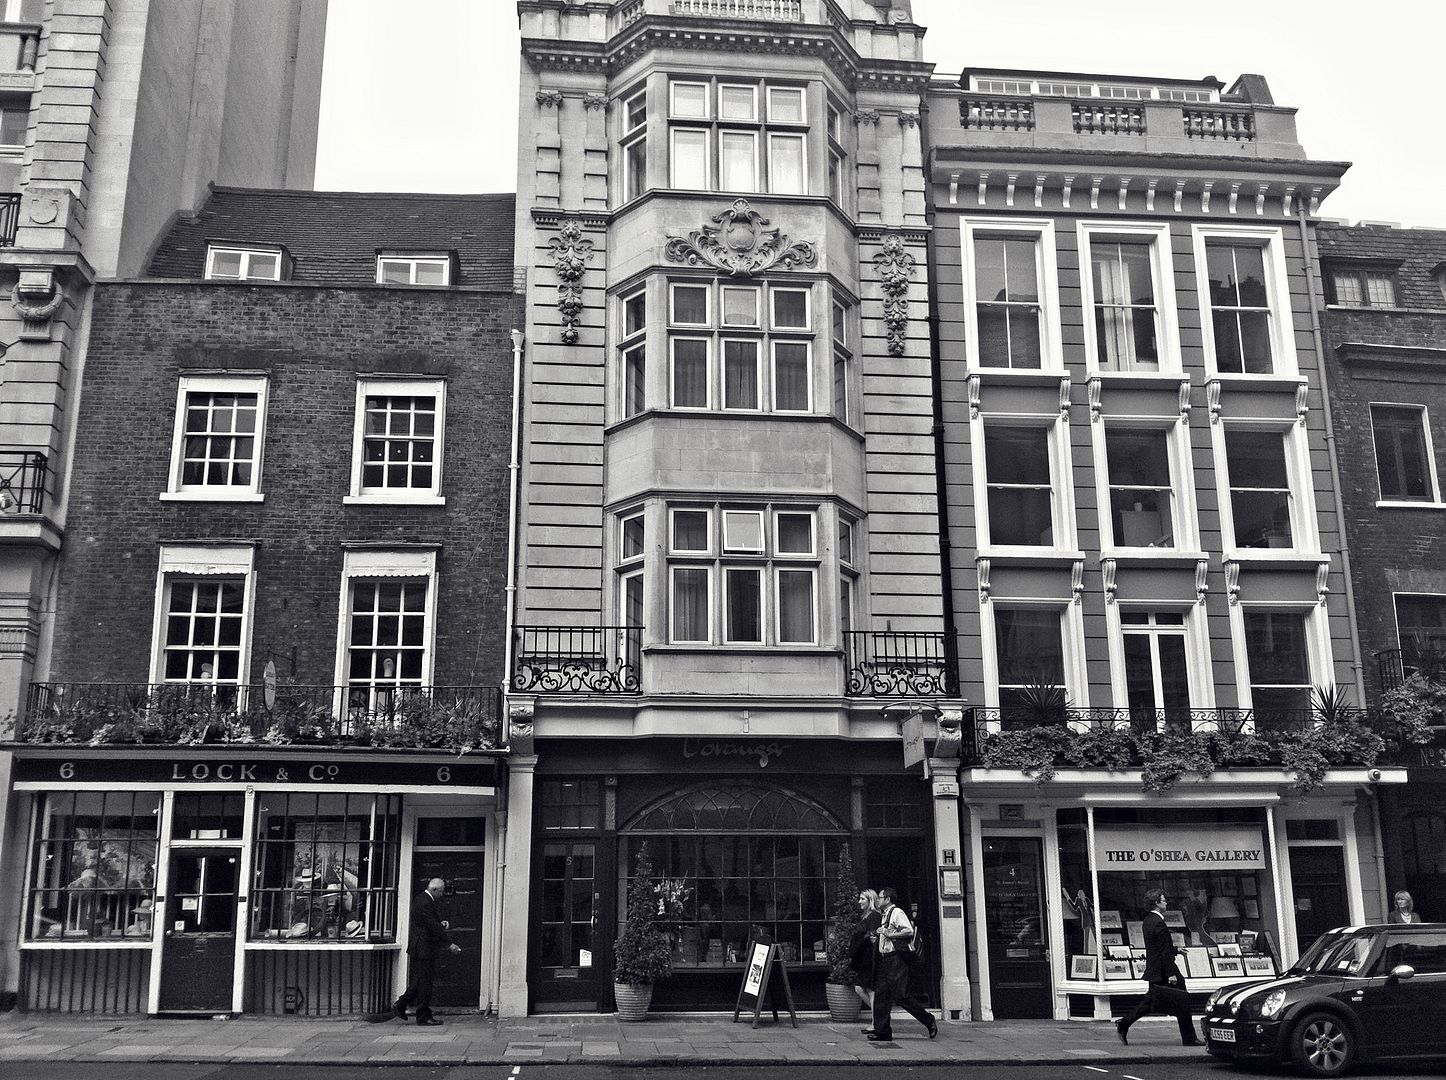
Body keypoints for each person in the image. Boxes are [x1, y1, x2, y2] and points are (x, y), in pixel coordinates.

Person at [1117, 887, 1201, 1046]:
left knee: (1150, 1002)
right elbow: (1162, 951)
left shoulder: (1148, 921)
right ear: (1156, 903)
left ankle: (1124, 1023)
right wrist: (1171, 973)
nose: (1166, 902)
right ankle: (1189, 1038)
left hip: (1155, 969)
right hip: (1164, 970)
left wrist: (1176, 950)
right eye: (1164, 900)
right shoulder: (1159, 923)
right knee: (1183, 1000)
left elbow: (1158, 947)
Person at [864, 887, 937, 1042]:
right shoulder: (885, 914)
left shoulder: (897, 912)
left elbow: (908, 931)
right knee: (881, 995)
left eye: (880, 897)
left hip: (896, 959)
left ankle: (928, 1019)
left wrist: (889, 934)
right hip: (885, 959)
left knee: (900, 995)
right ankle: (882, 1032)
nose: (878, 900)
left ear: (888, 899)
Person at [394, 878, 462, 1025]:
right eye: (441, 891)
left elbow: (427, 923)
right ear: (434, 890)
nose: (443, 894)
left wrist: (440, 924)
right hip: (424, 948)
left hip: (422, 947)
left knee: (420, 980)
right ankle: (423, 1015)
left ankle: (401, 1004)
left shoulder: (422, 900)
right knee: (425, 983)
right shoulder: (425, 902)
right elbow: (432, 926)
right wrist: (449, 943)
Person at [849, 889, 882, 1011]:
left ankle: (878, 1018)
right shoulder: (865, 916)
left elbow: (873, 936)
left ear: (871, 900)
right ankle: (879, 1015)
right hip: (863, 959)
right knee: (860, 988)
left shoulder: (874, 916)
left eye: (862, 899)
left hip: (870, 959)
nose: (859, 901)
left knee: (870, 989)